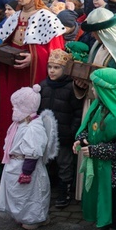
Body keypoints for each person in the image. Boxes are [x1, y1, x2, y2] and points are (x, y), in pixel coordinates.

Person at [0, 0, 65, 160]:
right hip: (13, 74)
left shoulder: (48, 18)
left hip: (33, 78)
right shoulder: (16, 16)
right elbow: (7, 41)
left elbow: (57, 55)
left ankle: (31, 159)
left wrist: (33, 57)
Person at [75, 68, 116, 230]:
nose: (93, 90)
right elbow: (87, 126)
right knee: (101, 195)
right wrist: (82, 139)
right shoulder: (98, 106)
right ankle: (103, 222)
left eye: (95, 87)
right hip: (100, 165)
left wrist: (96, 150)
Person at [0, 84, 58, 230]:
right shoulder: (20, 123)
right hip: (15, 164)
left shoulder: (34, 127)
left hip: (25, 166)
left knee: (30, 194)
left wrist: (27, 171)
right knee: (17, 193)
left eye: (16, 106)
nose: (13, 109)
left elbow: (33, 150)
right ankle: (21, 215)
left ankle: (33, 218)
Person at [38, 48, 83, 209]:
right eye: (50, 67)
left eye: (56, 67)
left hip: (64, 136)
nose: (52, 70)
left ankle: (65, 192)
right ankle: (49, 189)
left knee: (65, 164)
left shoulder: (71, 88)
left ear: (65, 69)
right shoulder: (43, 85)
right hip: (46, 135)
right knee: (48, 162)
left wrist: (72, 132)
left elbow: (77, 112)